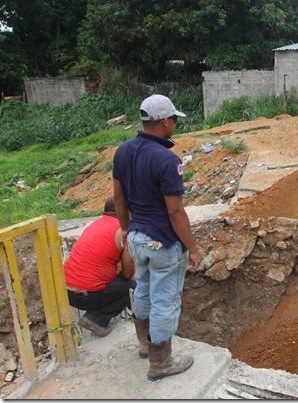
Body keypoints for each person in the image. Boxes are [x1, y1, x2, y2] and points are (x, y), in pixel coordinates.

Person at [112, 94, 202, 381]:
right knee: (165, 300)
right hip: (162, 241)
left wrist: (125, 228)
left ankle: (144, 346)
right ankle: (161, 363)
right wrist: (193, 249)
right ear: (164, 121)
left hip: (137, 237)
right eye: (174, 119)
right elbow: (175, 212)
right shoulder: (166, 159)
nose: (175, 124)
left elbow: (118, 196)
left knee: (144, 291)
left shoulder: (123, 151)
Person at [63, 196, 136, 338]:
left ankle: (94, 316)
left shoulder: (95, 224)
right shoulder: (124, 231)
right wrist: (118, 280)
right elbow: (128, 274)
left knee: (115, 285)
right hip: (89, 295)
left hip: (67, 292)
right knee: (133, 287)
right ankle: (96, 319)